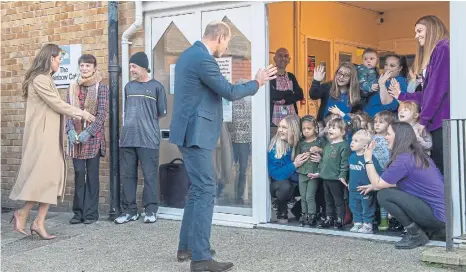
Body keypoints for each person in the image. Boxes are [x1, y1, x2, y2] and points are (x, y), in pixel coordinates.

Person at [169, 20, 277, 272]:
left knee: (197, 190)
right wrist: (258, 82)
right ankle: (201, 258)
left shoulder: (189, 55)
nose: (225, 47)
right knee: (206, 190)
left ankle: (188, 247)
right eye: (226, 42)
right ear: (219, 37)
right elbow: (229, 91)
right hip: (196, 134)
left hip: (190, 132)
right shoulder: (203, 59)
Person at [9, 44, 95, 239]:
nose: (59, 63)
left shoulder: (47, 79)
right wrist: (81, 113)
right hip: (41, 136)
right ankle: (23, 213)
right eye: (58, 59)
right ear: (50, 59)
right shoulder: (39, 79)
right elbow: (56, 104)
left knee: (53, 177)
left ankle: (38, 221)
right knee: (44, 177)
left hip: (50, 135)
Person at [358, 122, 445, 249]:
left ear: (399, 136)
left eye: (388, 134)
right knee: (385, 191)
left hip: (437, 216)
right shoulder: (415, 155)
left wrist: (368, 159)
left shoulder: (403, 160)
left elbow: (379, 184)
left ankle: (415, 235)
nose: (385, 137)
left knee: (384, 195)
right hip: (443, 215)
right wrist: (374, 186)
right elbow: (394, 183)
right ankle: (428, 231)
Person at [388, 15, 449, 174]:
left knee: (444, 169)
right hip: (438, 123)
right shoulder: (438, 51)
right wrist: (402, 96)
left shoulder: (443, 48)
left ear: (432, 29)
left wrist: (422, 122)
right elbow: (428, 93)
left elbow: (437, 90)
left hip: (444, 122)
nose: (416, 36)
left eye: (419, 31)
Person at [115, 52, 167, 225]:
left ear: (144, 67)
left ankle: (150, 210)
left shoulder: (157, 87)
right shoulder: (128, 87)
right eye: (130, 67)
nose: (131, 70)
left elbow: (160, 113)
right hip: (128, 139)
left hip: (148, 139)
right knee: (128, 176)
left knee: (150, 176)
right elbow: (127, 110)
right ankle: (130, 211)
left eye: (134, 66)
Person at [66, 54, 109, 225]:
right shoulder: (72, 87)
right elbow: (67, 111)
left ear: (94, 68)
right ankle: (78, 213)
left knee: (92, 176)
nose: (84, 68)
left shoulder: (101, 87)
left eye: (88, 66)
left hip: (93, 139)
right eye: (82, 65)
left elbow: (102, 114)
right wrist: (69, 130)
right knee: (78, 174)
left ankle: (91, 214)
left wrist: (88, 133)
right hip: (76, 139)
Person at [309, 118, 351, 229]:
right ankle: (329, 218)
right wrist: (318, 172)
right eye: (329, 127)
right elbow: (323, 161)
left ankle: (340, 219)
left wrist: (342, 176)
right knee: (328, 200)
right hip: (326, 178)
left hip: (336, 179)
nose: (330, 130)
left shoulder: (344, 146)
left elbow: (344, 163)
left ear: (342, 132)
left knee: (338, 200)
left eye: (334, 128)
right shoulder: (328, 145)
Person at [268, 115, 306, 224]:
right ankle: (282, 210)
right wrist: (294, 164)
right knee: (285, 186)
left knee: (319, 184)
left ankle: (299, 210)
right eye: (279, 127)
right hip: (279, 184)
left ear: (294, 129)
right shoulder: (275, 146)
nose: (280, 130)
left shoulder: (302, 144)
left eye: (284, 127)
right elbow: (275, 174)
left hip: (297, 181)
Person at [348, 130, 382, 234]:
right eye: (352, 140)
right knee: (354, 206)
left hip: (366, 189)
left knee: (367, 207)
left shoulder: (370, 158)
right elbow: (351, 171)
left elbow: (379, 172)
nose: (352, 142)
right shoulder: (352, 156)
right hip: (353, 189)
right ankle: (358, 223)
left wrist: (372, 185)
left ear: (364, 146)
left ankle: (368, 224)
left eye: (356, 141)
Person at [295, 115, 326, 227]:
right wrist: (301, 156)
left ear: (315, 129)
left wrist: (319, 151)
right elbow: (296, 157)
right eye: (304, 129)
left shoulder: (320, 141)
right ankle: (304, 215)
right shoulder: (301, 143)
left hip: (314, 173)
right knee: (303, 196)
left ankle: (312, 215)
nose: (306, 131)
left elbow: (328, 155)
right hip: (302, 172)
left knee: (310, 196)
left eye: (309, 128)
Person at [227, 79, 252, 205]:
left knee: (242, 170)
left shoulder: (250, 104)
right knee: (228, 167)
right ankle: (222, 190)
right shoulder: (229, 104)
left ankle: (239, 195)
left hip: (244, 142)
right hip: (230, 141)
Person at [269, 48, 304, 136]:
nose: (283, 58)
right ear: (274, 59)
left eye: (286, 56)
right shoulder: (270, 76)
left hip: (292, 122)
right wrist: (289, 92)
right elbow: (272, 95)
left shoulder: (291, 76)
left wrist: (283, 100)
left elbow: (300, 94)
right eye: (280, 56)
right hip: (275, 123)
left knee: (292, 148)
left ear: (289, 60)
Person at [372, 110, 396, 231]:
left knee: (383, 197)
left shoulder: (391, 139)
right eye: (375, 122)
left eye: (381, 122)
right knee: (372, 197)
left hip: (386, 172)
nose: (377, 124)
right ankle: (370, 219)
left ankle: (385, 219)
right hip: (372, 171)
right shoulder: (370, 138)